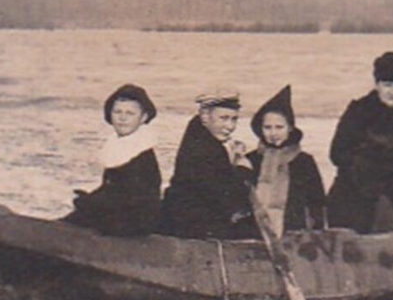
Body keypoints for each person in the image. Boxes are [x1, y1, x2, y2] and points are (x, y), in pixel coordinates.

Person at [326, 52, 393, 232]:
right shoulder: (359, 111)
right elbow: (337, 153)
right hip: (358, 183)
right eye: (387, 85)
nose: (392, 92)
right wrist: (365, 160)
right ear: (377, 85)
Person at [65, 84, 161, 236]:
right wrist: (90, 199)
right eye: (117, 112)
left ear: (143, 117)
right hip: (117, 212)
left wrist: (92, 204)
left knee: (75, 225)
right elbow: (112, 188)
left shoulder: (140, 152)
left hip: (133, 221)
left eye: (130, 113)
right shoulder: (118, 144)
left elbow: (133, 198)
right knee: (69, 222)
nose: (122, 118)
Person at [159, 88, 255, 239]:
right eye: (223, 118)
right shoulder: (204, 149)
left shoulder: (198, 138)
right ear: (205, 117)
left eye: (234, 119)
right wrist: (243, 169)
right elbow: (227, 196)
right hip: (194, 227)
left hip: (182, 217)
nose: (230, 126)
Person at [241, 85, 326, 237]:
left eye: (279, 127)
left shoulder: (304, 162)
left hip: (294, 235)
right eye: (268, 127)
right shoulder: (251, 159)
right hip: (255, 235)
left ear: (290, 128)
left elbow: (317, 204)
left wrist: (315, 235)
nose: (273, 133)